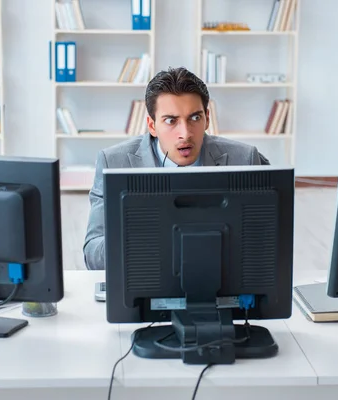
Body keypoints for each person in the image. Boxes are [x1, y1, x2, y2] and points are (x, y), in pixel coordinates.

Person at [83, 66, 269, 271]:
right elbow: (93, 255)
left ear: (207, 118)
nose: (185, 134)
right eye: (171, 121)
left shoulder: (244, 158)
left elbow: (263, 244)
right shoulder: (113, 163)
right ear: (152, 126)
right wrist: (137, 239)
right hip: (146, 276)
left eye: (195, 118)